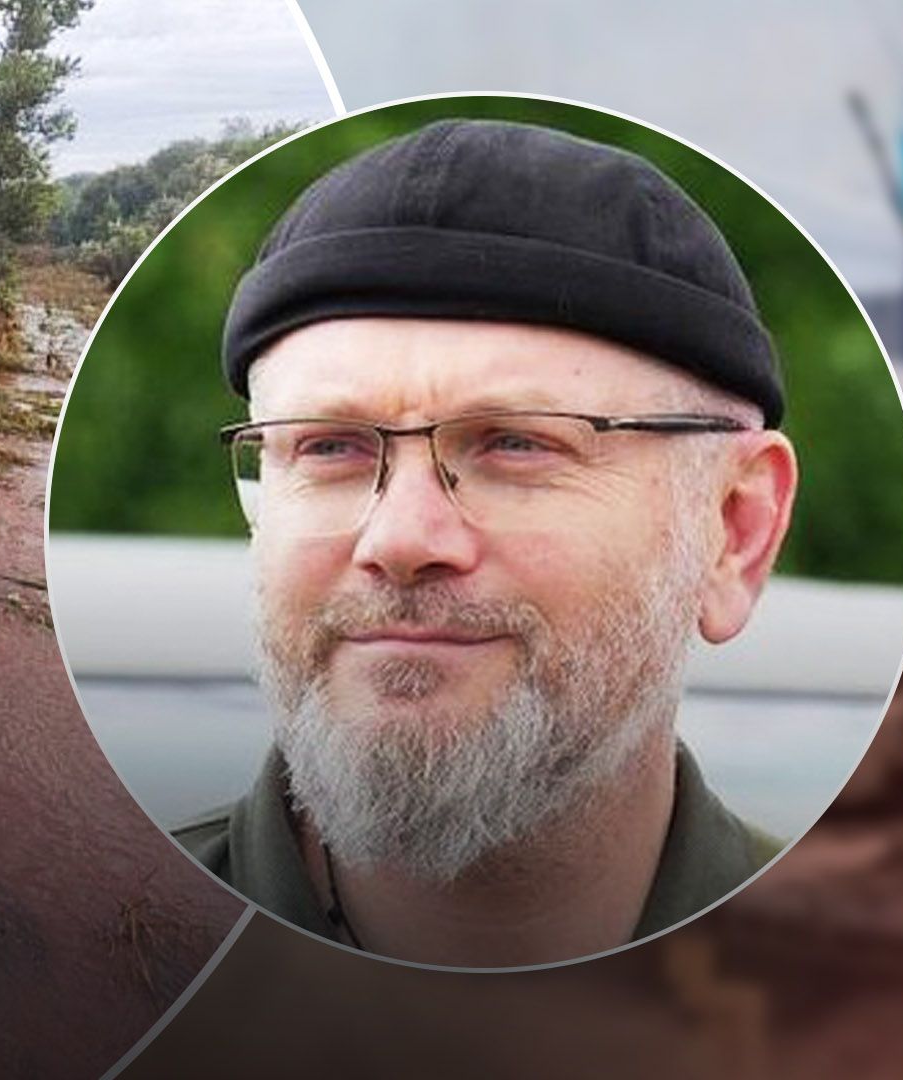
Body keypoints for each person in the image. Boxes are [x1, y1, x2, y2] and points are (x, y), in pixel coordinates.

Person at [172, 118, 800, 968]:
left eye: (517, 444)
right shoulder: (93, 951)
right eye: (327, 447)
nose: (399, 540)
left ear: (733, 531)